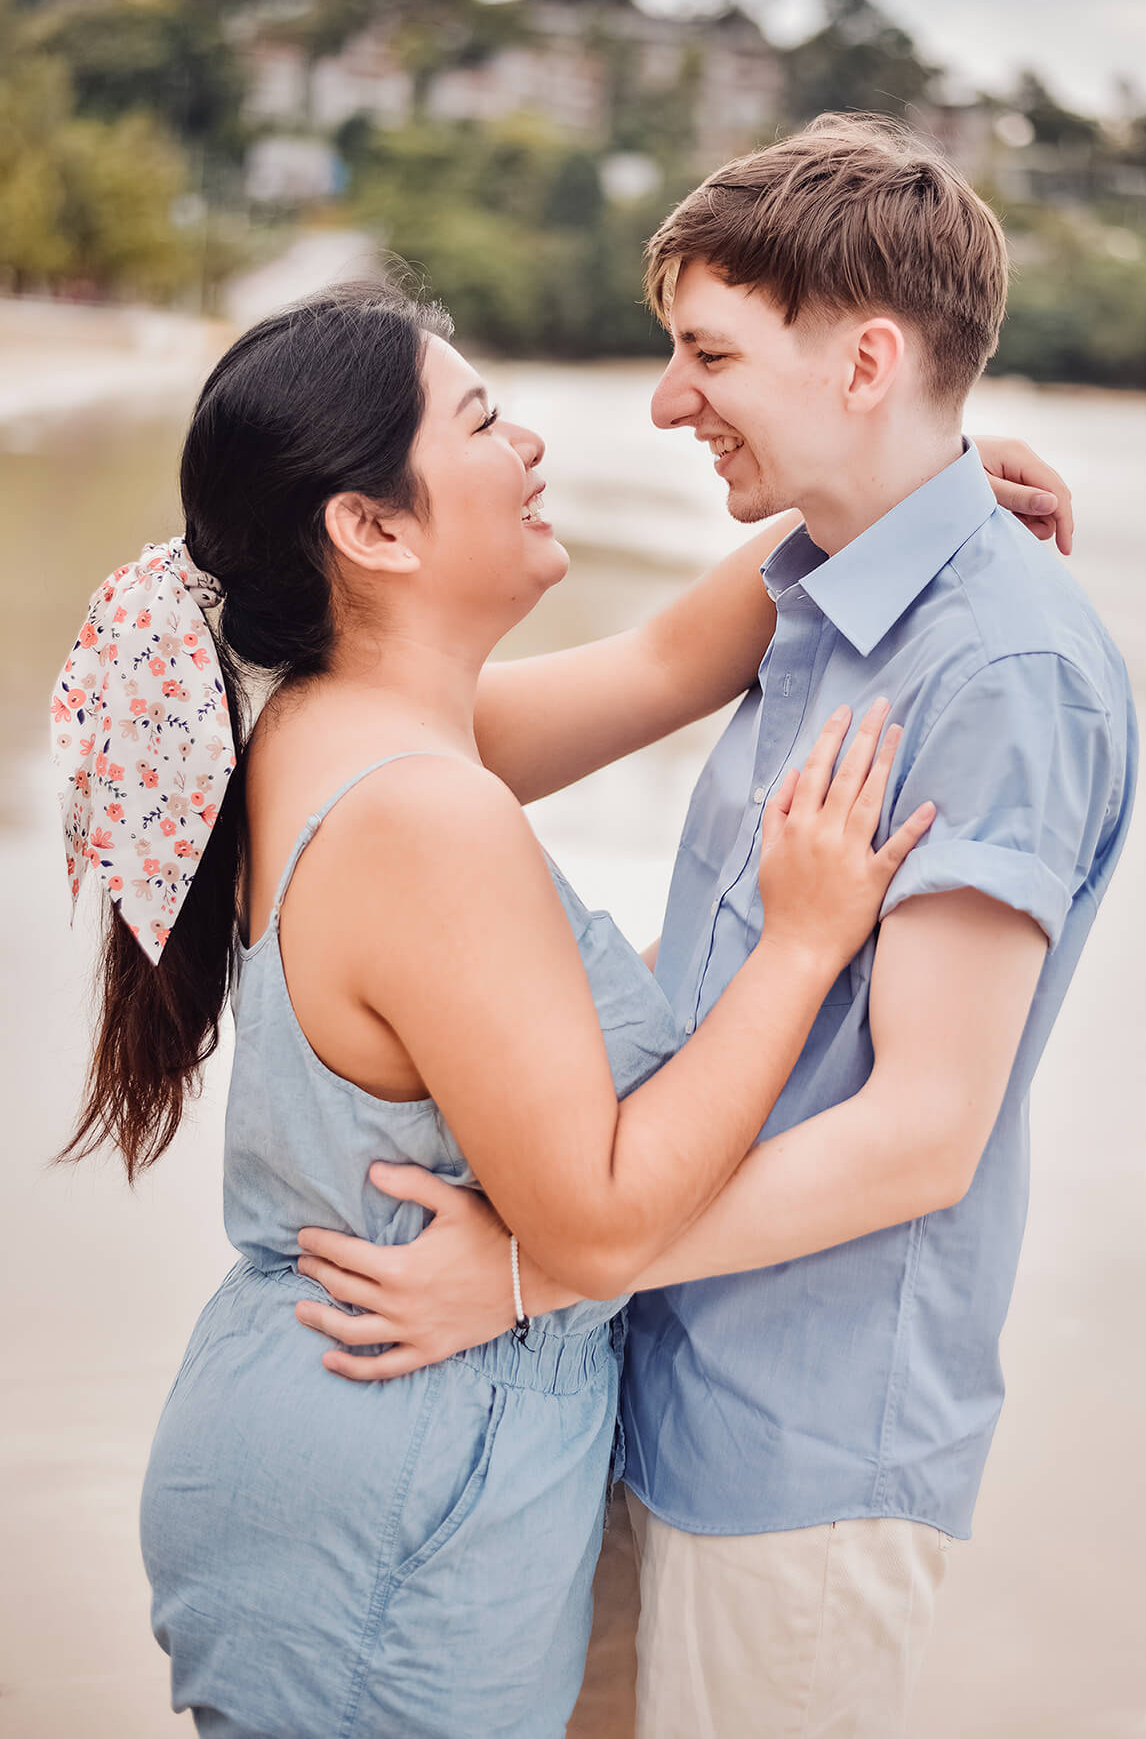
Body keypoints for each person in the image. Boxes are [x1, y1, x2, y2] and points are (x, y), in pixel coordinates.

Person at [52, 279, 1064, 1738]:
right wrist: (798, 946)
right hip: (392, 1495)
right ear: (372, 529)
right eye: (478, 420)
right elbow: (593, 1223)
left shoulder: (332, 730)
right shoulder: (421, 815)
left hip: (339, 1441)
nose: (527, 443)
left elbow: (664, 663)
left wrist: (901, 494)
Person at [294, 117, 1137, 1737]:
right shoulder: (815, 602)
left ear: (867, 359)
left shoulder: (999, 671)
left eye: (706, 354)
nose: (670, 401)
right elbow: (506, 715)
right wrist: (909, 503)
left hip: (798, 1457)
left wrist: (535, 1268)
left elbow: (920, 1136)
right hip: (645, 1386)